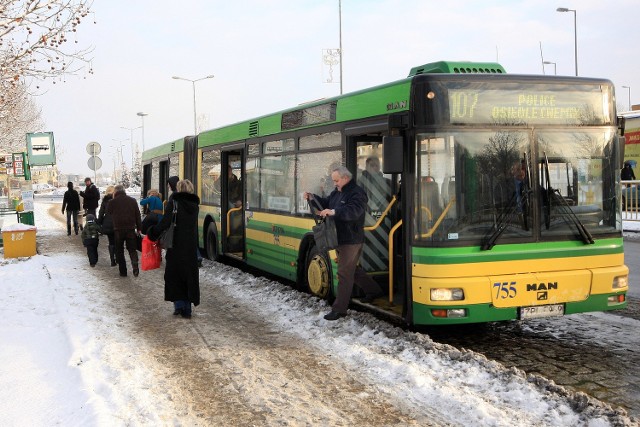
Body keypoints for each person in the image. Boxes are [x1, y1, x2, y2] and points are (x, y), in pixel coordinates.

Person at [304, 165, 383, 321]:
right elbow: (327, 202)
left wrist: (334, 212)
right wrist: (313, 198)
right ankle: (374, 290)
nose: (335, 183)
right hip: (339, 238)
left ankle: (339, 309)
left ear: (346, 178)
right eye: (333, 181)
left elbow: (354, 212)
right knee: (351, 270)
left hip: (351, 240)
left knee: (344, 273)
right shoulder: (337, 192)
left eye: (336, 180)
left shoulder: (357, 193)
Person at [148, 179, 200, 319]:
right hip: (190, 246)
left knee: (175, 275)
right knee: (189, 275)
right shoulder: (195, 204)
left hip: (176, 245)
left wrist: (153, 232)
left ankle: (179, 306)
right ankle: (187, 309)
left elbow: (165, 222)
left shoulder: (174, 202)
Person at [107, 184, 142, 277]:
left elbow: (109, 212)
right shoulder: (132, 201)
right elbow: (138, 216)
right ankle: (135, 266)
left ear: (116, 192)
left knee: (119, 250)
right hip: (130, 228)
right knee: (132, 249)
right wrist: (139, 229)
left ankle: (123, 271)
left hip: (118, 229)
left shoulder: (112, 202)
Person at [97, 185, 117, 266]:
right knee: (118, 241)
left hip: (108, 223)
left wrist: (99, 223)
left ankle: (112, 260)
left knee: (111, 242)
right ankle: (118, 258)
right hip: (117, 222)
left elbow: (101, 213)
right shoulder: (117, 199)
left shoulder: (105, 200)